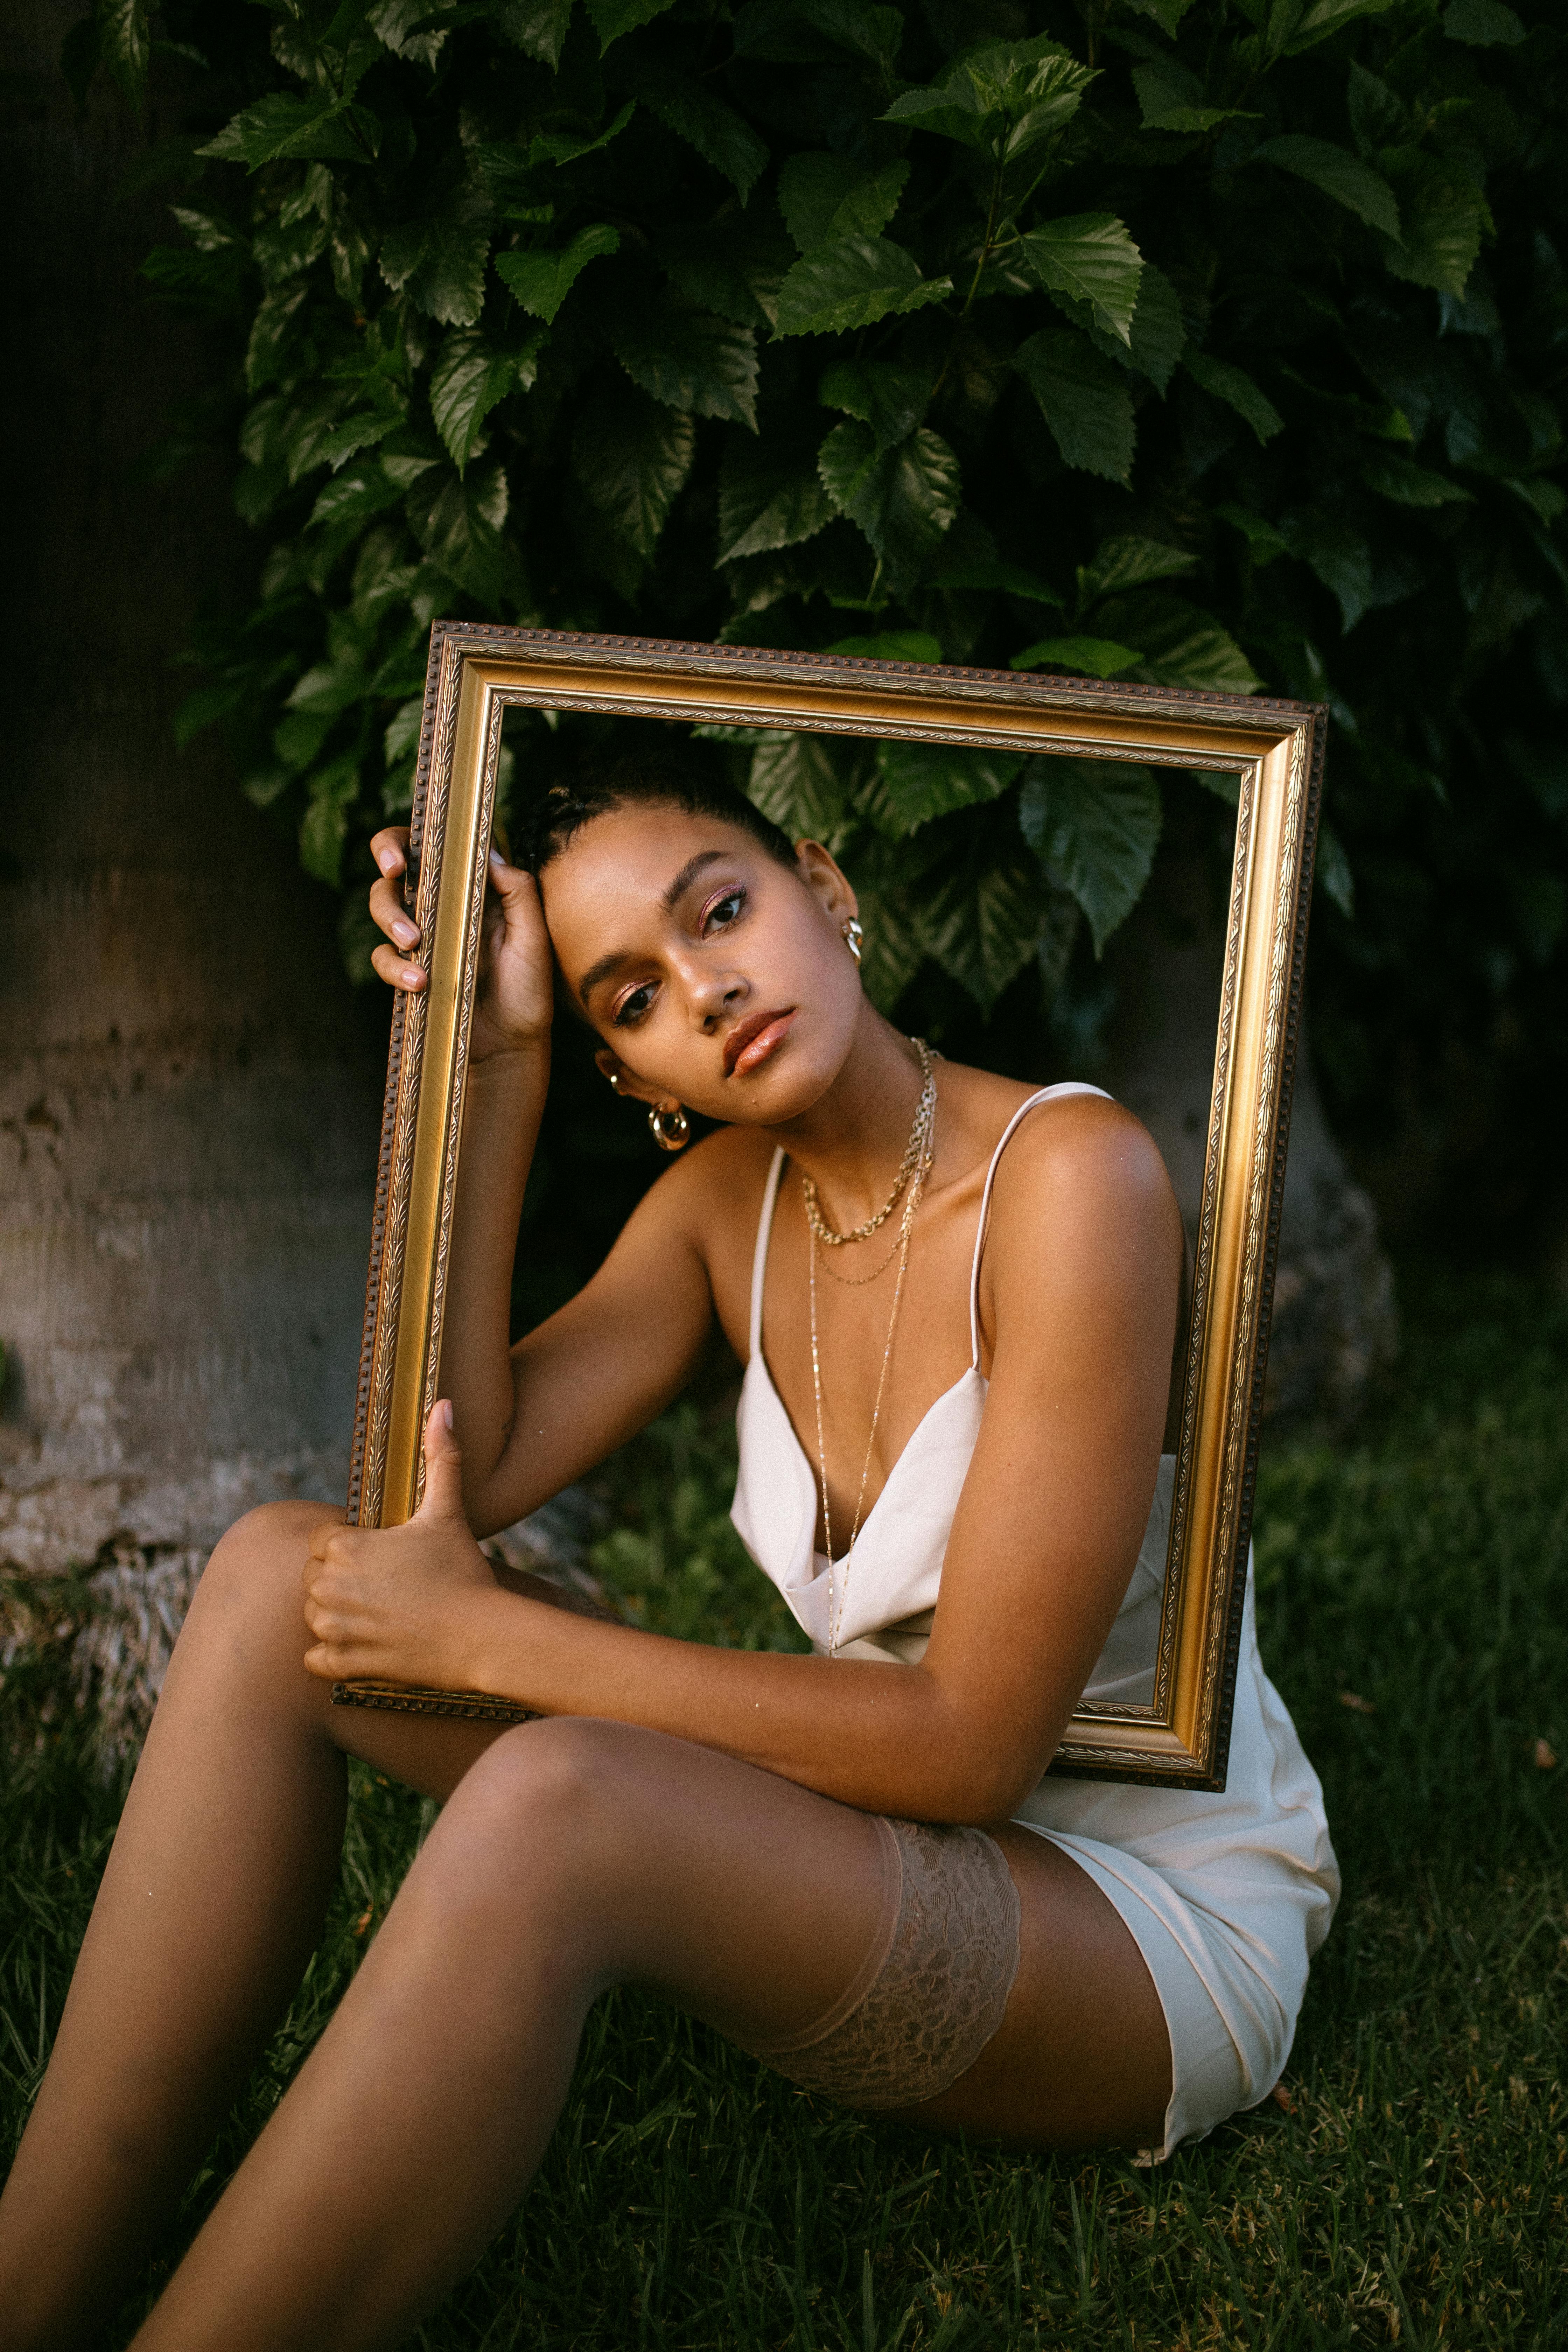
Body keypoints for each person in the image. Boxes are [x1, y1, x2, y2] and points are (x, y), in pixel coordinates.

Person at [0, 759, 1338, 2352]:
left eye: (723, 909)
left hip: (1137, 1910)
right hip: (853, 1828)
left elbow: (975, 1746)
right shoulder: (727, 1206)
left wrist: (491, 1648)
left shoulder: (1074, 1178)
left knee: (558, 1806)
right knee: (271, 1579)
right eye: (629, 997)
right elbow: (460, 1466)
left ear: (823, 885)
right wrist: (493, 1069)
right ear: (626, 1064)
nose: (705, 991)